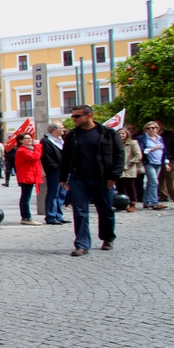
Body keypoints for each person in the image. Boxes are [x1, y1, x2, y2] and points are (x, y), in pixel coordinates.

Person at [59, 105, 123, 256]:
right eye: (72, 116)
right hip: (79, 179)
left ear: (89, 116)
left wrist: (114, 176)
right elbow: (66, 158)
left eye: (77, 116)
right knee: (80, 211)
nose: (73, 119)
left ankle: (107, 238)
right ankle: (82, 244)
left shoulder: (108, 133)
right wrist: (63, 178)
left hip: (103, 178)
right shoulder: (72, 136)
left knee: (105, 210)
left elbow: (119, 155)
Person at [13, 132, 44, 225]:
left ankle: (26, 217)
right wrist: (38, 146)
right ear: (21, 140)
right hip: (26, 176)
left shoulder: (27, 149)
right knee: (25, 198)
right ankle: (26, 217)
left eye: (30, 138)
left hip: (29, 175)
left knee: (25, 197)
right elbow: (35, 157)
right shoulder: (22, 150)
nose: (29, 140)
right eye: (26, 138)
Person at [42, 123, 67, 224]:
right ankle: (51, 216)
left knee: (61, 193)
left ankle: (58, 215)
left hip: (63, 170)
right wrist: (56, 167)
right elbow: (47, 158)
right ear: (55, 129)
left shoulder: (61, 140)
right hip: (54, 171)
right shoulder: (46, 141)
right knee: (53, 193)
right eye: (62, 128)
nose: (63, 130)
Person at [141, 121, 168, 210]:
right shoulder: (142, 138)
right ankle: (155, 203)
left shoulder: (160, 138)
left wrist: (166, 163)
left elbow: (164, 151)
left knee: (150, 183)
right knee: (154, 182)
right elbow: (142, 150)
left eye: (153, 128)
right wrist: (152, 149)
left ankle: (146, 202)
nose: (151, 130)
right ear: (145, 130)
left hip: (158, 162)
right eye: (148, 128)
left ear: (157, 129)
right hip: (149, 162)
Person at [117, 128, 142, 213]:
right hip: (118, 168)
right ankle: (121, 203)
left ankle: (132, 204)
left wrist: (129, 164)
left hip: (129, 168)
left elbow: (138, 155)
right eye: (119, 134)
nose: (121, 135)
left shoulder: (132, 143)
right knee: (119, 187)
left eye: (123, 133)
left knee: (130, 187)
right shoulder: (115, 143)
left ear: (127, 134)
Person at [162, 125, 174, 202]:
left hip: (171, 158)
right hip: (158, 159)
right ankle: (162, 195)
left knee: (172, 177)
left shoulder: (170, 134)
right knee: (160, 178)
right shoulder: (156, 136)